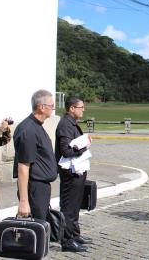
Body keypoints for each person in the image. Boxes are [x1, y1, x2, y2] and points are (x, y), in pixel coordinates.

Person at [13, 90, 57, 221]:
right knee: (37, 227)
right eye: (51, 105)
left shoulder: (37, 126)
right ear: (42, 107)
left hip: (41, 187)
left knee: (41, 226)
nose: (53, 108)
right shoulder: (29, 130)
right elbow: (23, 167)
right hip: (34, 188)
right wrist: (23, 201)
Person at [55, 97, 91, 252]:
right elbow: (66, 150)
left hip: (77, 170)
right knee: (68, 208)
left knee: (75, 206)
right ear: (71, 108)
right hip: (69, 172)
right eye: (80, 107)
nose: (83, 110)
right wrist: (84, 147)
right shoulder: (65, 125)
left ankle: (75, 235)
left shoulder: (72, 123)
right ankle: (67, 241)